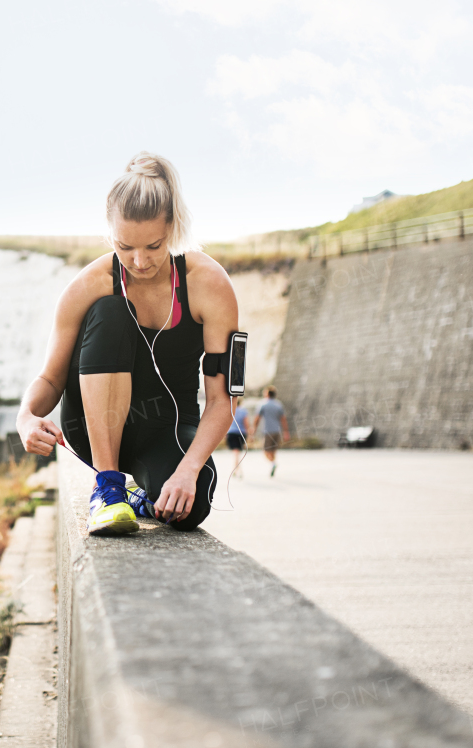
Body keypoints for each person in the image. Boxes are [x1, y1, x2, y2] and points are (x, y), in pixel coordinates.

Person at [16, 153, 239, 535]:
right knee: (113, 311)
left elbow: (224, 398)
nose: (138, 261)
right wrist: (25, 418)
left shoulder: (209, 285)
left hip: (166, 428)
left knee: (194, 504)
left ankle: (138, 497)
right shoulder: (87, 286)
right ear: (110, 233)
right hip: (92, 427)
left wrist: (188, 469)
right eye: (124, 247)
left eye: (153, 246)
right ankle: (107, 488)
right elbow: (51, 379)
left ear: (174, 227)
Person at [250, 385, 289, 477]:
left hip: (268, 431)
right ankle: (273, 465)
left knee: (266, 452)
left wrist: (253, 430)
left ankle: (273, 464)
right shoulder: (278, 404)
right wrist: (286, 432)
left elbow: (257, 419)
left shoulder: (263, 404)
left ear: (267, 394)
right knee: (273, 451)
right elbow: (283, 419)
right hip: (277, 431)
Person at [226, 398, 248, 477]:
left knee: (235, 453)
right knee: (237, 453)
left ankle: (236, 470)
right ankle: (237, 470)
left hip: (231, 433)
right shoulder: (243, 411)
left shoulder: (230, 410)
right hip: (241, 433)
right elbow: (246, 423)